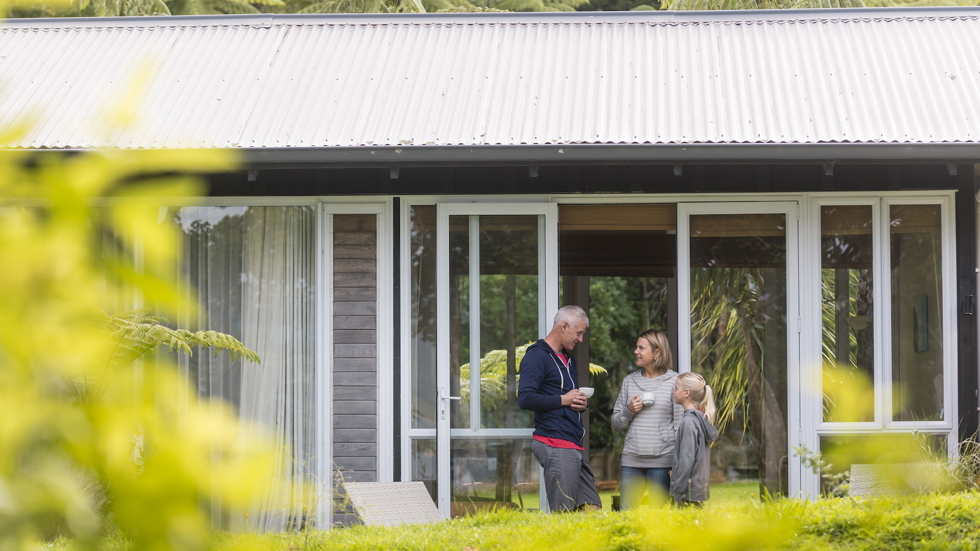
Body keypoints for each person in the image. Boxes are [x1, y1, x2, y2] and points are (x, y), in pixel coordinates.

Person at [518, 305, 602, 512]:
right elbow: (525, 398)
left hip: (573, 442)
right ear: (563, 326)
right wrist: (563, 400)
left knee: (592, 509)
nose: (581, 339)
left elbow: (565, 397)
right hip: (554, 442)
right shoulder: (536, 356)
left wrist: (579, 404)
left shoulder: (568, 359)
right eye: (579, 333)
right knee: (564, 514)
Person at [611, 329, 684, 508]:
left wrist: (677, 463)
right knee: (627, 515)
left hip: (663, 461)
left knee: (659, 517)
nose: (636, 351)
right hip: (631, 460)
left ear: (657, 352)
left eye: (641, 348)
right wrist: (629, 410)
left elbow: (679, 426)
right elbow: (616, 424)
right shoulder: (629, 381)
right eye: (637, 347)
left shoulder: (675, 381)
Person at [669, 372, 719, 507]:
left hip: (686, 493)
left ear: (687, 393)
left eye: (676, 388)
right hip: (695, 491)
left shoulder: (689, 422)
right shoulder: (700, 419)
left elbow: (687, 459)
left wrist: (676, 491)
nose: (673, 392)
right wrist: (676, 472)